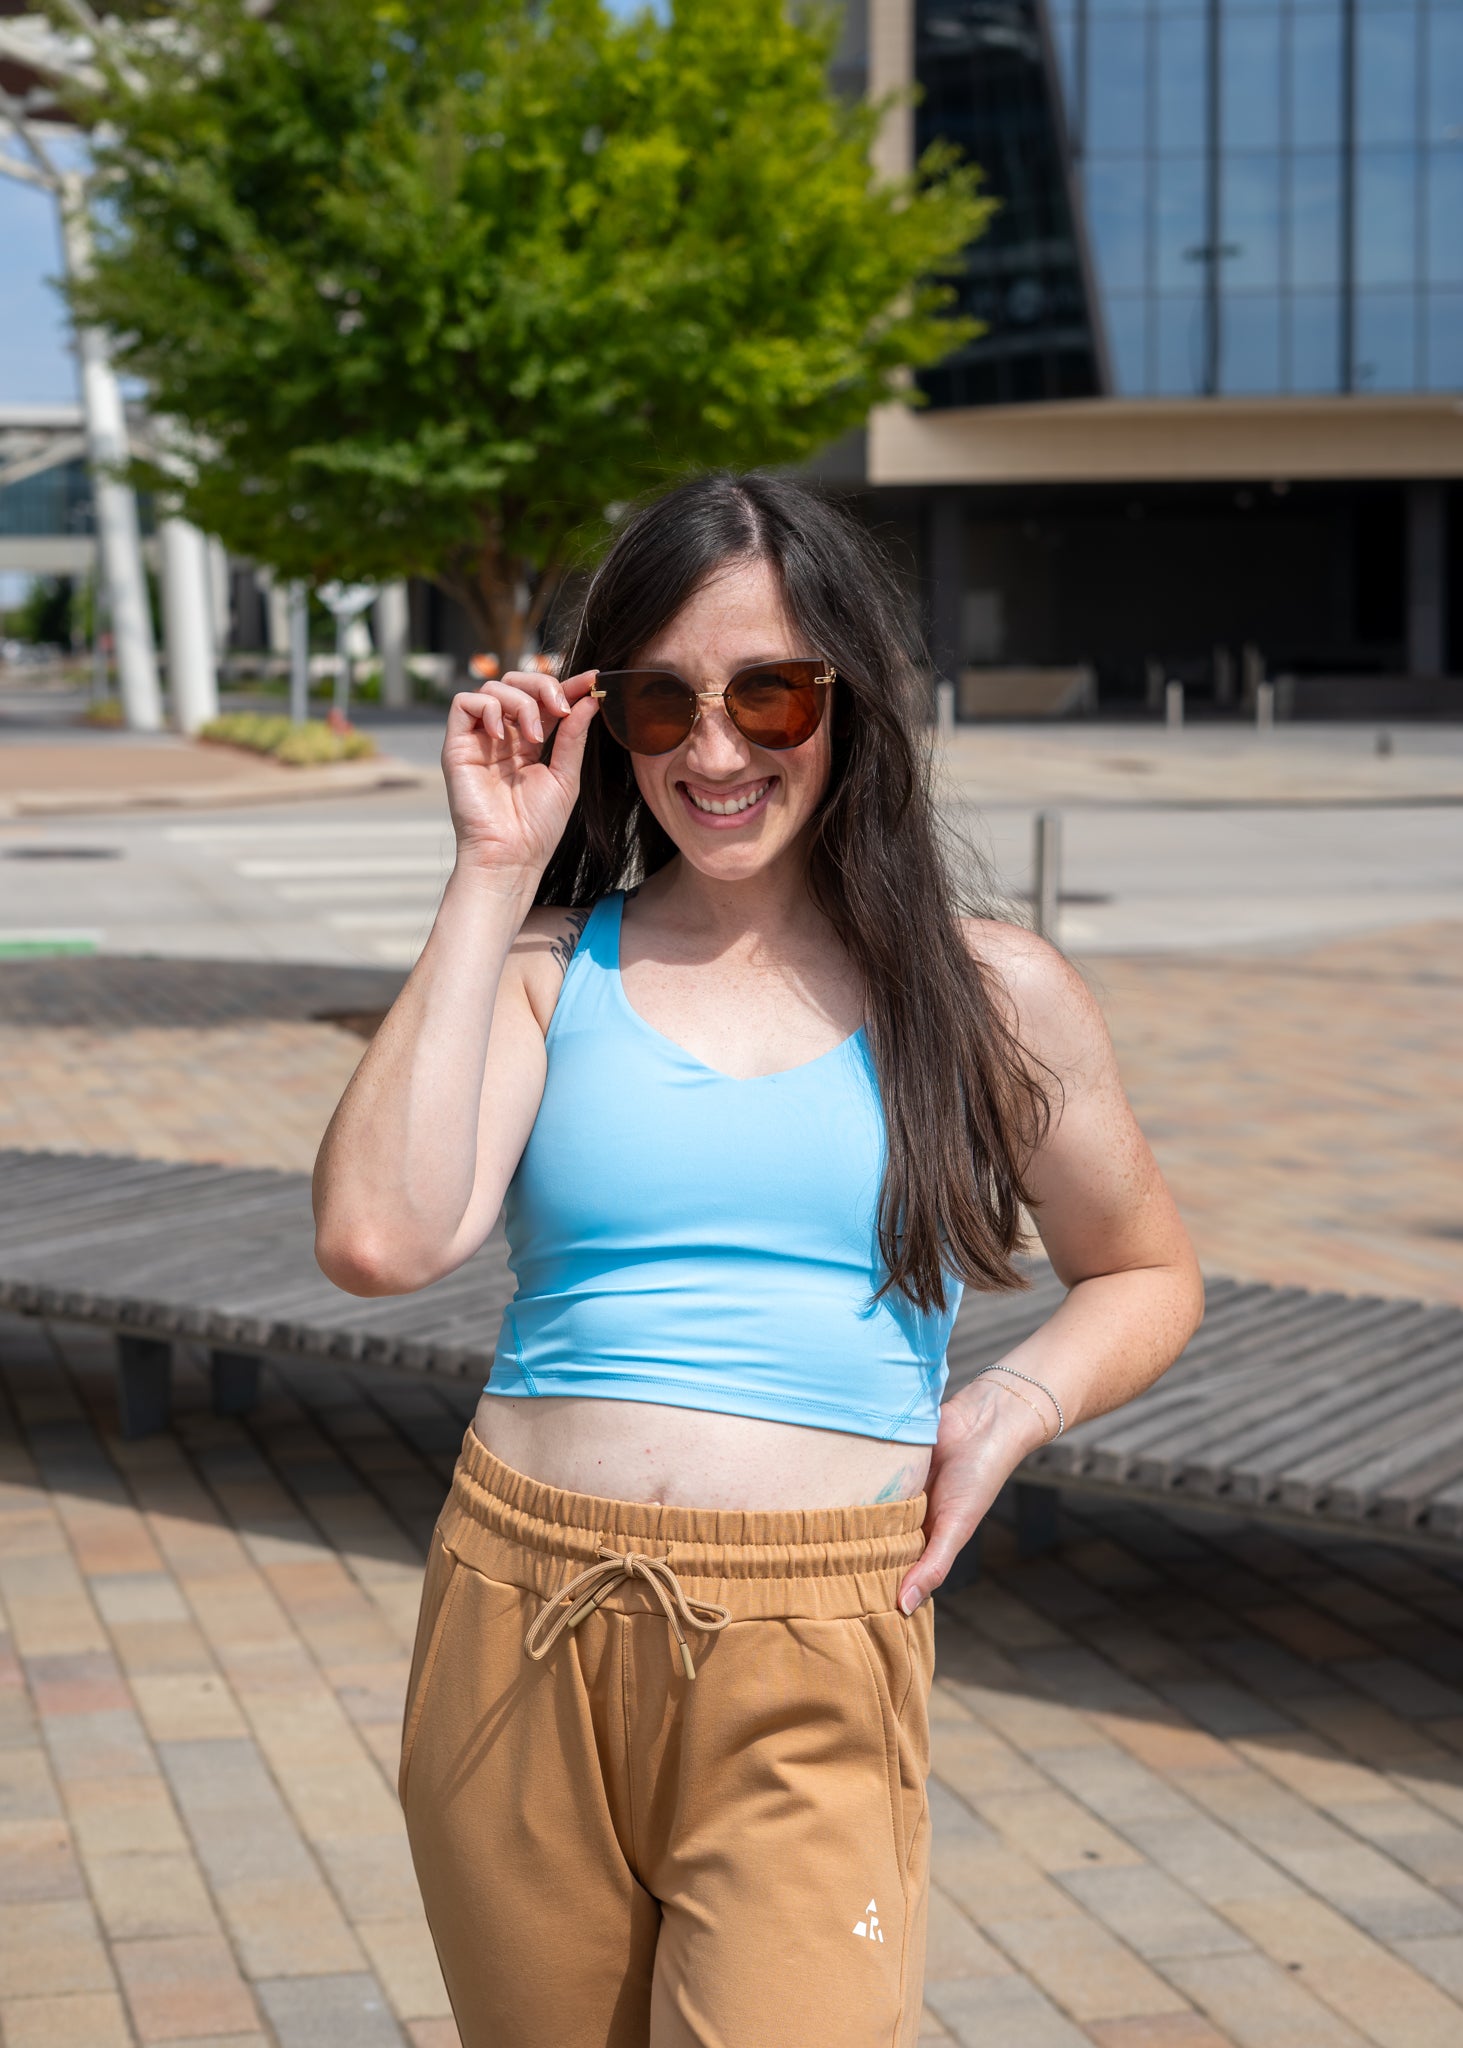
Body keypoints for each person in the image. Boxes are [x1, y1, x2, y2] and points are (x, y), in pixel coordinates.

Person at [313, 472, 1203, 2048]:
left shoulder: (987, 993)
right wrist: (490, 869)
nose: (716, 753)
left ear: (850, 699)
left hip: (814, 1635)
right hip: (517, 1616)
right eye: (662, 704)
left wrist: (1009, 1411)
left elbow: (1142, 1270)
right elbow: (380, 1237)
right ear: (607, 722)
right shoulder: (541, 969)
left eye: (769, 693)